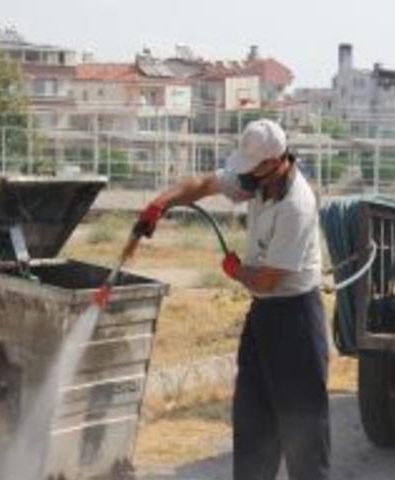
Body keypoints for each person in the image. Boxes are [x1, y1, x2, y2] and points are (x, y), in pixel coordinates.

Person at [133, 119, 330, 480]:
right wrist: (160, 204)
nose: (245, 177)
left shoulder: (296, 206)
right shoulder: (258, 182)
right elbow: (204, 184)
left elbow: (268, 280)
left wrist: (236, 271)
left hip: (297, 320)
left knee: (303, 433)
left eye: (252, 169)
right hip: (264, 315)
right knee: (253, 421)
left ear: (275, 162)